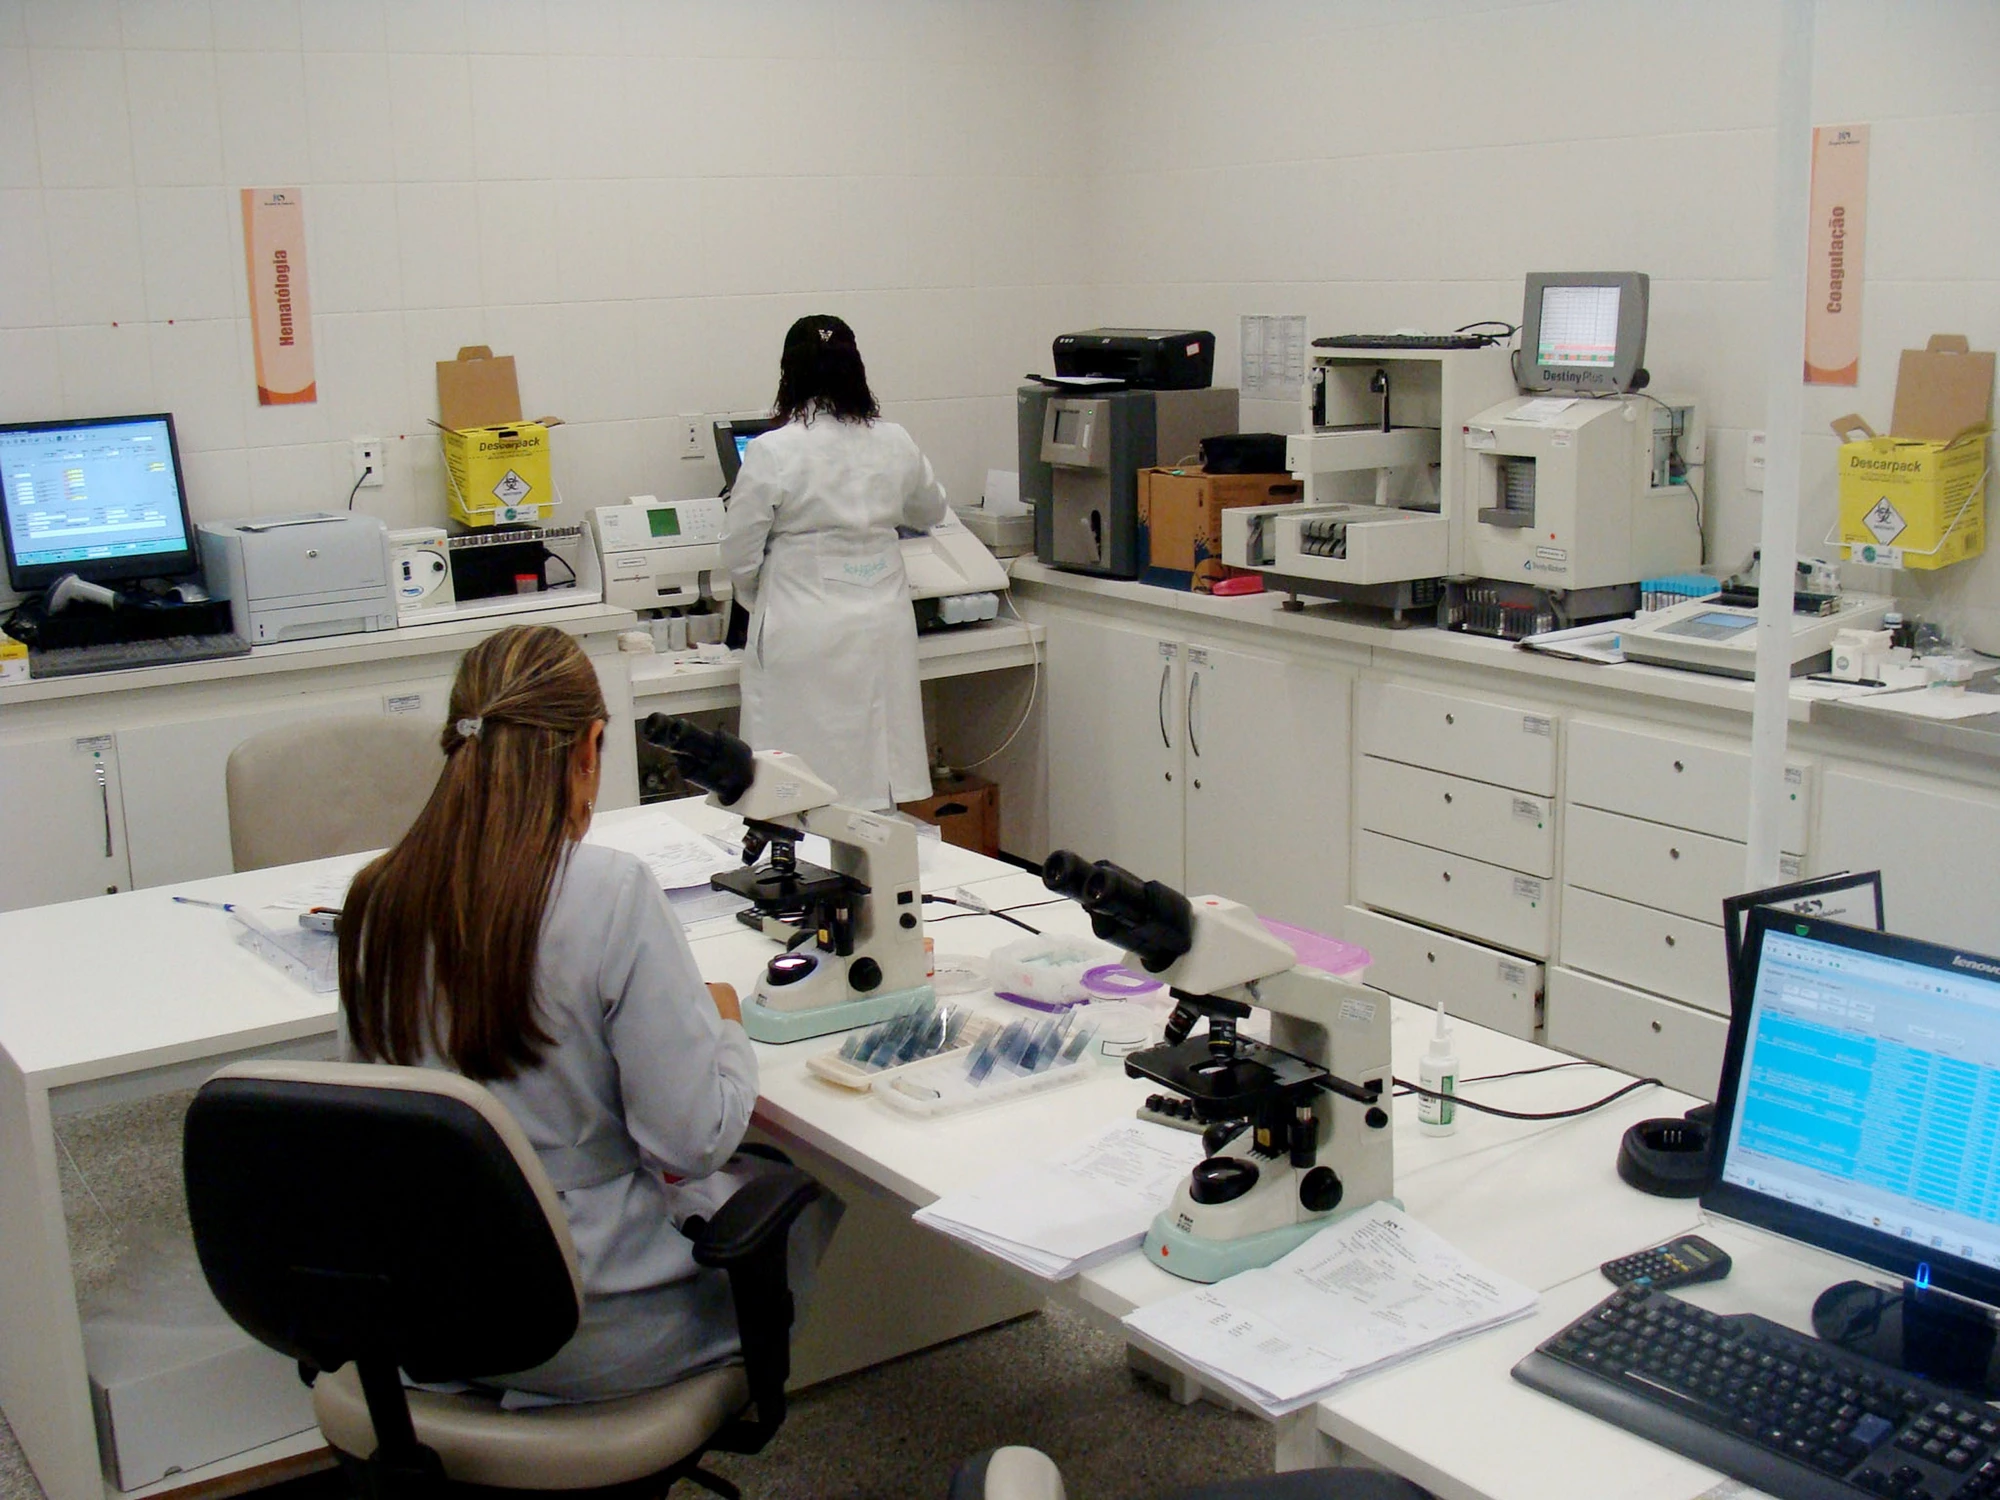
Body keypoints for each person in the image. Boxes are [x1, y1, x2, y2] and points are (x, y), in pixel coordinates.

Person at [338, 624, 774, 1403]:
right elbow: (693, 1137)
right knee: (794, 1190)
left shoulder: (376, 899)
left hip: (434, 1313)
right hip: (592, 1326)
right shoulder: (610, 891)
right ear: (589, 745)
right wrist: (728, 1030)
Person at [721, 314, 949, 811]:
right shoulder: (894, 441)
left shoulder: (772, 451)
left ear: (790, 373)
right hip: (883, 622)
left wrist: (758, 596)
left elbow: (739, 552)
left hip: (803, 626)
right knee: (876, 778)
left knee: (796, 781)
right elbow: (930, 510)